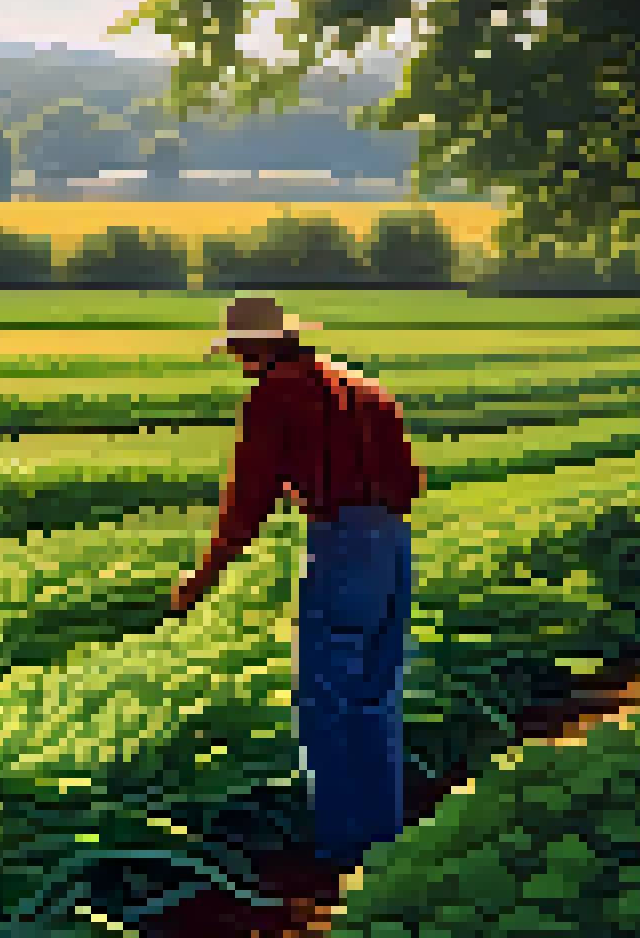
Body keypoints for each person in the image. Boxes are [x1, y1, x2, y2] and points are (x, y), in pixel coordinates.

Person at [169, 296, 425, 872]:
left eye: (239, 351)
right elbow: (412, 482)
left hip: (342, 546)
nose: (237, 362)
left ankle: (342, 853)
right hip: (392, 543)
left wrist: (202, 578)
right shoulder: (367, 390)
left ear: (259, 349)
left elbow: (248, 501)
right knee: (376, 697)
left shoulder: (275, 398)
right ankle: (384, 844)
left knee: (326, 702)